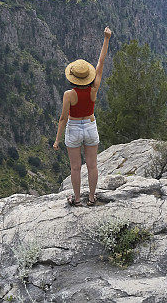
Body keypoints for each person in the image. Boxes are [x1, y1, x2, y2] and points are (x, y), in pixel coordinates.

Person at [53, 26, 112, 206]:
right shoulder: (94, 89)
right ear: (88, 76)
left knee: (76, 167)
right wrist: (106, 39)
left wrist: (57, 140)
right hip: (90, 126)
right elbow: (100, 63)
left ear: (73, 77)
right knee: (92, 166)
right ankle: (92, 198)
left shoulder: (68, 95)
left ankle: (77, 199)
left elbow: (63, 119)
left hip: (74, 129)